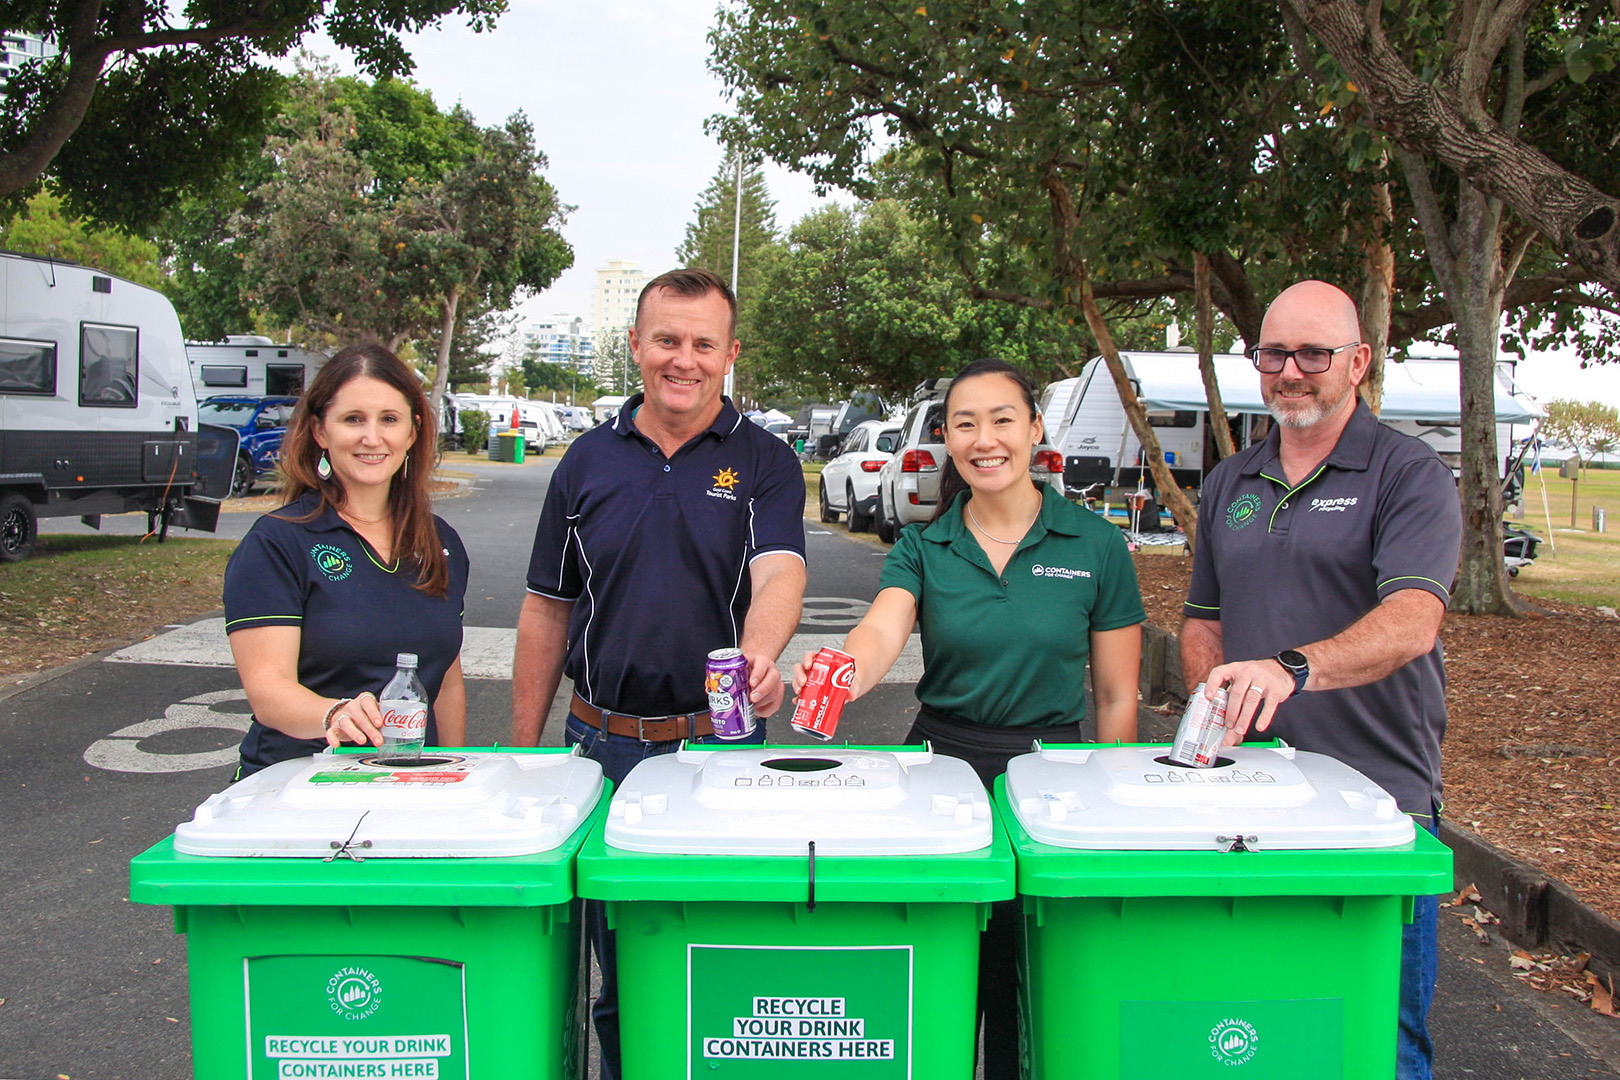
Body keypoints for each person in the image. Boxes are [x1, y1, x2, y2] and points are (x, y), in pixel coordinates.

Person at [793, 357, 1144, 1079]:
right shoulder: (926, 544)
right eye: (965, 424)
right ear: (947, 439)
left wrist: (1115, 819)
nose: (985, 439)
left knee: (1030, 987)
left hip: (1053, 783)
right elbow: (881, 635)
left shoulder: (1098, 546)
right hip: (940, 775)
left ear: (1036, 428)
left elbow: (1115, 698)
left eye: (1002, 419)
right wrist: (837, 675)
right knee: (936, 980)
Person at [512, 267, 807, 1079]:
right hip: (599, 748)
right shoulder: (583, 463)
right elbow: (546, 608)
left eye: (703, 343)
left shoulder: (767, 459)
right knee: (618, 976)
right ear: (637, 345)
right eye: (667, 340)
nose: (685, 359)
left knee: (729, 961)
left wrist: (761, 653)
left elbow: (780, 571)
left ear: (730, 353)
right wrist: (524, 753)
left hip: (721, 746)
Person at [1179, 280, 1463, 1080]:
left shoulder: (1408, 474)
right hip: (1244, 794)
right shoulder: (1232, 480)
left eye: (1313, 353)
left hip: (1377, 801)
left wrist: (1292, 670)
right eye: (1273, 353)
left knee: (1377, 1036)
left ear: (1359, 362)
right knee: (1253, 1020)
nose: (1290, 371)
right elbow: (1203, 620)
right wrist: (1213, 697)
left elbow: (1413, 622)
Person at [223, 343, 469, 779]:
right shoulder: (278, 543)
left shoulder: (441, 542)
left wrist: (452, 774)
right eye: (353, 419)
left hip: (405, 787)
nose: (372, 437)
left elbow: (445, 681)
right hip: (294, 786)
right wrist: (334, 712)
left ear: (412, 433)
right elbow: (268, 690)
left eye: (388, 420)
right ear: (320, 431)